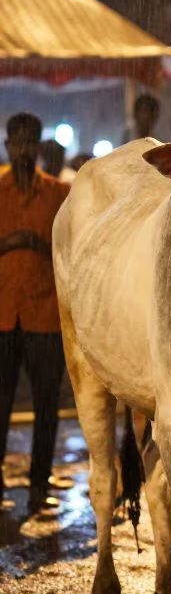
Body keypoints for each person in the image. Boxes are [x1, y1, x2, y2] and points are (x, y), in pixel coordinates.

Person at [0, 113, 70, 514]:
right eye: (17, 143)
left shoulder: (59, 194)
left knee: (46, 405)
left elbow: (69, 252)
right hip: (4, 317)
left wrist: (37, 245)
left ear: (38, 147)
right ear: (8, 146)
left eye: (30, 143)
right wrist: (14, 240)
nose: (24, 151)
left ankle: (38, 485)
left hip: (45, 316)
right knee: (1, 402)